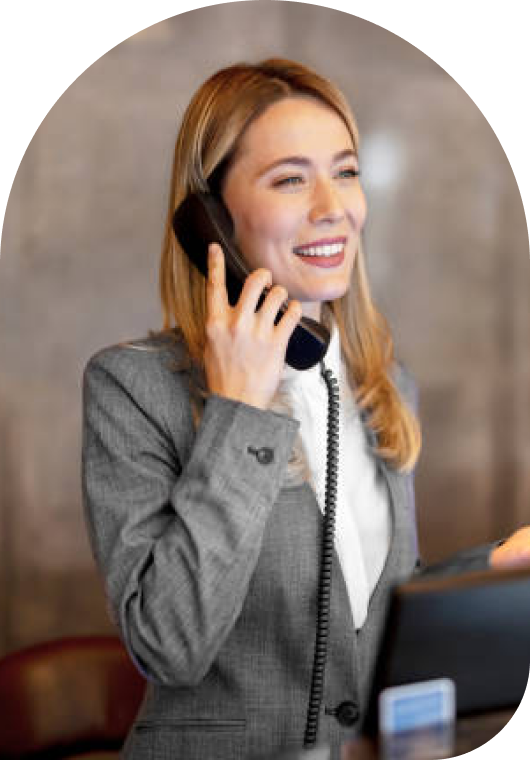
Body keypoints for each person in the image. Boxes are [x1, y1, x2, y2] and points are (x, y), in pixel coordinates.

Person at [81, 58, 530, 760]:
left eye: (346, 172)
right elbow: (168, 644)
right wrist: (240, 408)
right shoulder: (133, 388)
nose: (333, 206)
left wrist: (496, 563)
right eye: (291, 179)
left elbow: (363, 608)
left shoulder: (380, 382)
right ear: (210, 219)